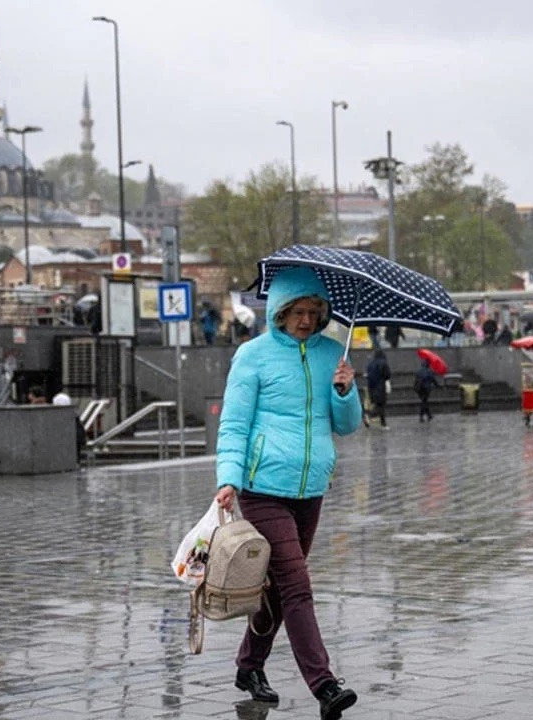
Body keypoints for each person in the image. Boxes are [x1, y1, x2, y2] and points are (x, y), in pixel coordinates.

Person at [214, 266, 361, 720]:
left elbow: (347, 425)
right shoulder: (253, 356)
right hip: (262, 488)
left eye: (313, 311)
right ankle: (324, 684)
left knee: (279, 588)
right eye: (296, 311)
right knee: (297, 585)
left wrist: (344, 391)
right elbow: (235, 423)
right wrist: (228, 478)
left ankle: (248, 666)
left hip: (311, 487)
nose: (305, 320)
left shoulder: (332, 354)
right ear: (278, 312)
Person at [365, 349, 391, 428]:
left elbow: (368, 375)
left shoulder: (370, 364)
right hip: (380, 387)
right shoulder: (383, 363)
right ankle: (370, 416)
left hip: (371, 387)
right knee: (380, 405)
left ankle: (383, 423)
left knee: (377, 404)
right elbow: (387, 375)